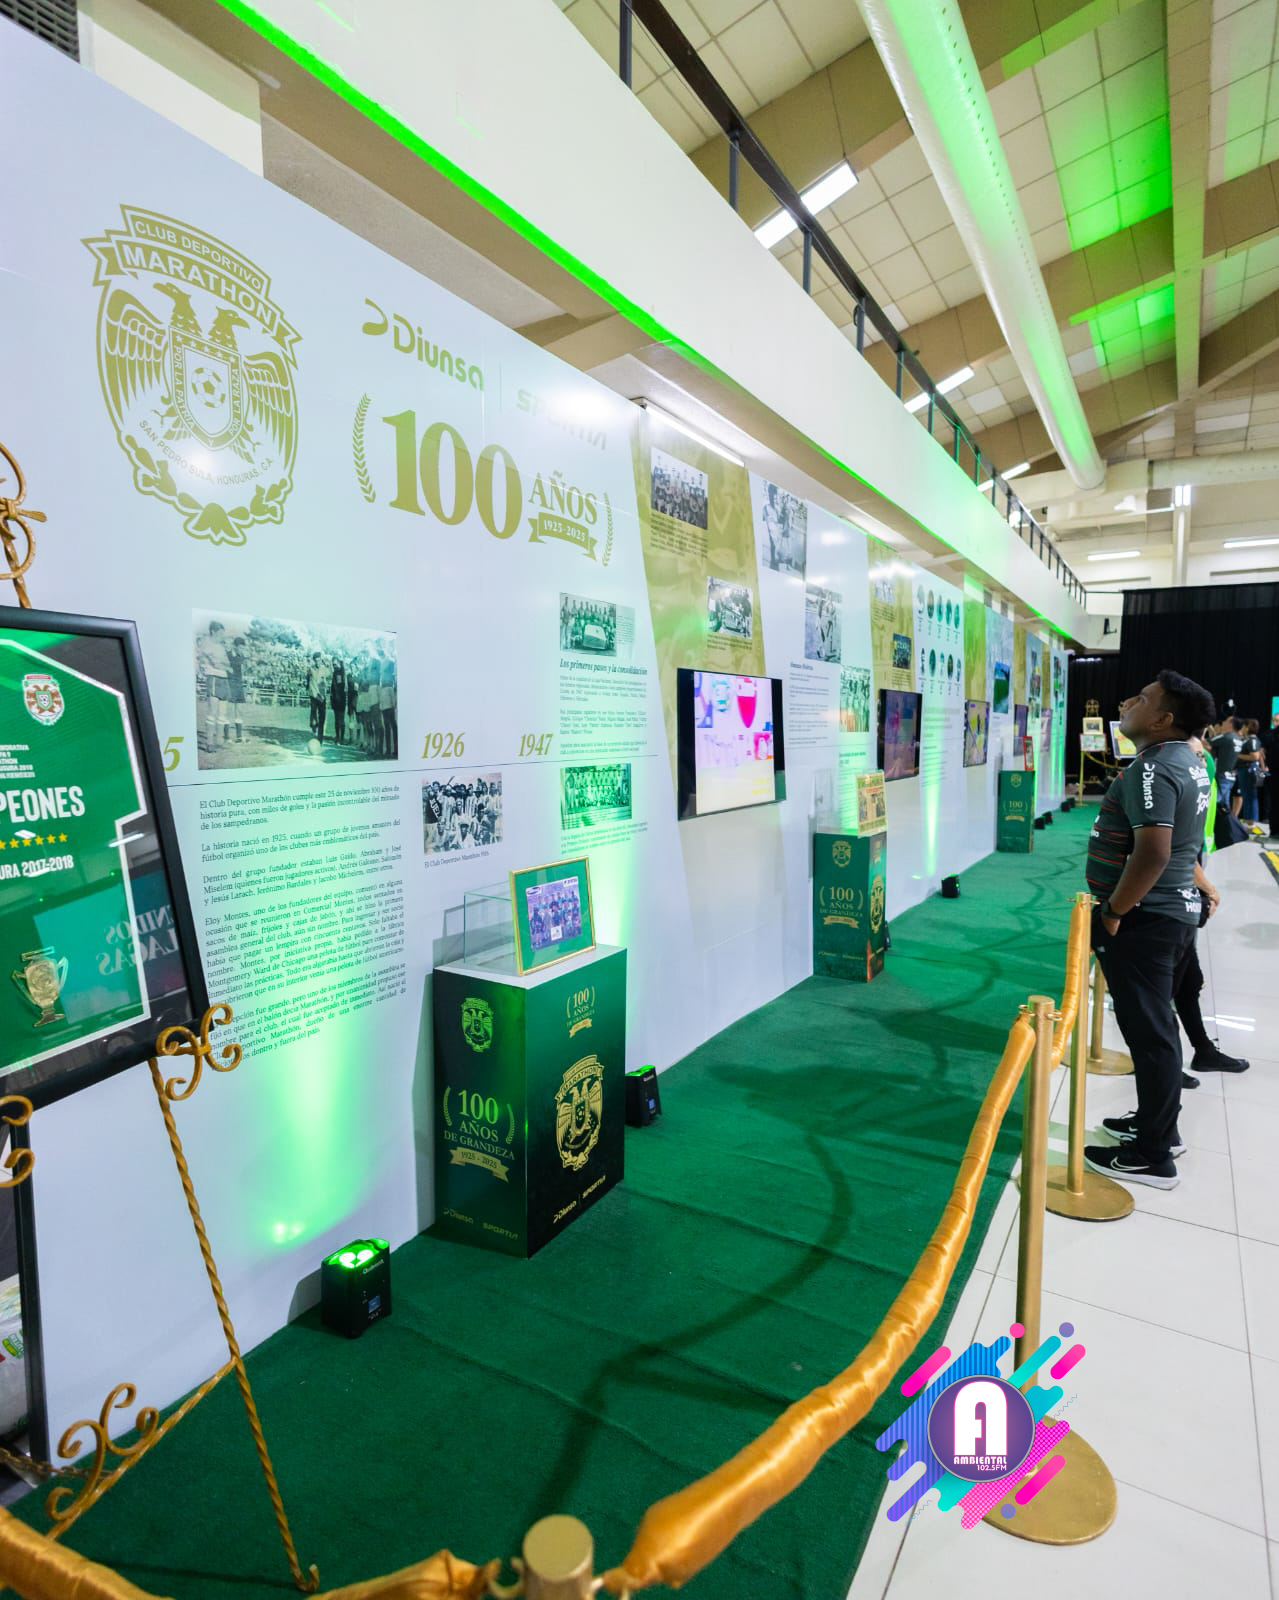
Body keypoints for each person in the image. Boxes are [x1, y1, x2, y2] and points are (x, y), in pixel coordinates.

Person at [1082, 670, 1217, 1190]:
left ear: (1162, 719)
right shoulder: (1188, 760)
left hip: (1147, 919)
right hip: (1171, 915)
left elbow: (1155, 852)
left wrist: (1114, 911)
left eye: (1141, 699)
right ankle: (1156, 1126)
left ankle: (1153, 1154)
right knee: (1156, 1029)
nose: (1127, 702)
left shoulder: (1155, 768)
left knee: (1151, 1034)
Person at [1210, 714, 1241, 813]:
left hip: (1222, 776)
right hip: (1231, 777)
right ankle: (1226, 822)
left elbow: (1207, 743)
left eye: (1226, 721)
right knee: (1224, 806)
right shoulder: (1239, 739)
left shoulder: (1225, 737)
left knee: (1213, 802)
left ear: (1230, 724)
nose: (1223, 723)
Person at [1236, 717, 1263, 825]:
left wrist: (1238, 755)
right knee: (1246, 796)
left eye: (1244, 726)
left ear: (1247, 727)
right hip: (1244, 770)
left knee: (1250, 796)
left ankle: (1252, 821)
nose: (1242, 728)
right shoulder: (1247, 739)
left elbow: (1255, 756)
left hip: (1248, 770)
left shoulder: (1252, 740)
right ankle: (1248, 819)